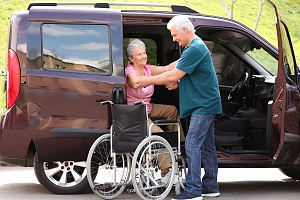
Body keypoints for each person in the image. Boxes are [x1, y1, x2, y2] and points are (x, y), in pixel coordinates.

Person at [137, 16, 222, 200]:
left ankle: (193, 190)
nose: (174, 39)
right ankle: (210, 186)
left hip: (204, 104)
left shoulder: (195, 48)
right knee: (207, 146)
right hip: (206, 103)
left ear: (185, 30)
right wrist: (176, 82)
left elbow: (173, 74)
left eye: (175, 35)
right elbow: (179, 71)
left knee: (192, 143)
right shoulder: (192, 48)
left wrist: (146, 80)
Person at [125, 39, 185, 174]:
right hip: (136, 112)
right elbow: (136, 83)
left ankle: (181, 146)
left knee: (172, 111)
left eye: (144, 53)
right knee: (158, 134)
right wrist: (157, 80)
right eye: (139, 54)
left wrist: (185, 59)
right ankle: (165, 169)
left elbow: (168, 68)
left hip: (147, 107)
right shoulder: (130, 71)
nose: (144, 56)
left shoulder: (148, 68)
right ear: (131, 58)